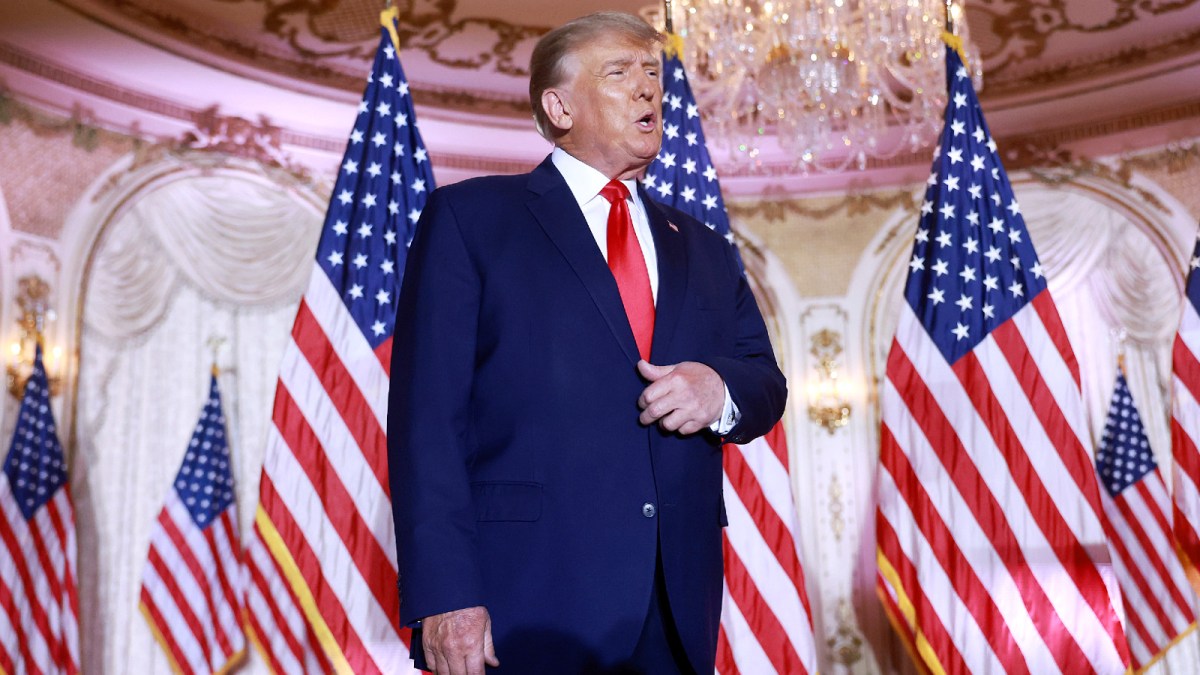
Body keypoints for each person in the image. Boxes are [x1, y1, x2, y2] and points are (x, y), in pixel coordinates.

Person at [388, 11, 786, 674]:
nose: (647, 91)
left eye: (653, 76)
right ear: (559, 104)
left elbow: (763, 382)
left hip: (675, 604)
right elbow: (426, 425)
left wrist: (718, 389)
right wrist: (447, 595)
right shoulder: (472, 220)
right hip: (526, 600)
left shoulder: (707, 250)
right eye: (620, 73)